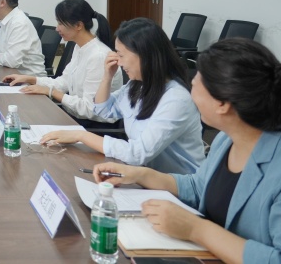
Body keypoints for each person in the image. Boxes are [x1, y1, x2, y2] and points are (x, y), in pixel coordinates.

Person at [93, 38, 281, 264]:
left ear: (223, 104)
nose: (191, 84)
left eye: (198, 80)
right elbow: (197, 187)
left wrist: (196, 229)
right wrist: (139, 174)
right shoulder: (226, 140)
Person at [41, 17, 205, 175]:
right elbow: (103, 110)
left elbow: (137, 153)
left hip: (177, 184)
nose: (118, 62)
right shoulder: (137, 85)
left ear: (144, 55)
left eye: (121, 55)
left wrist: (81, 135)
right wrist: (107, 77)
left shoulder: (176, 99)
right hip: (144, 174)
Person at [2, 0, 123, 126]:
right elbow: (64, 82)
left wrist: (52, 92)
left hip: (93, 126)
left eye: (60, 23)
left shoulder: (98, 56)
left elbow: (89, 109)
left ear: (78, 26)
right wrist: (30, 79)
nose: (57, 28)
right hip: (74, 117)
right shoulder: (80, 47)